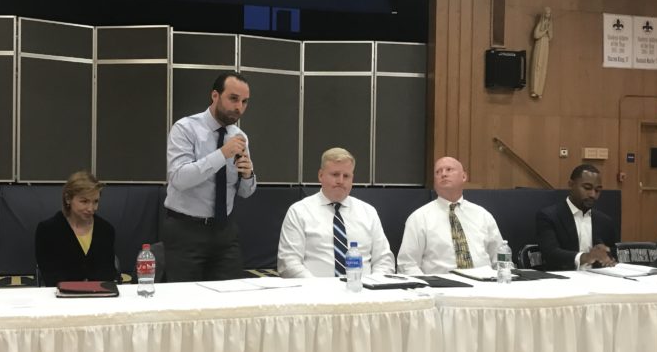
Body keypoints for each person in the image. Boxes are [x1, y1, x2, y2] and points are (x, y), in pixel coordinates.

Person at [162, 71, 256, 281]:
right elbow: (179, 179)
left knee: (230, 299)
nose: (239, 107)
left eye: (244, 101)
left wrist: (248, 176)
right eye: (233, 98)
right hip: (186, 230)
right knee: (185, 301)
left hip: (225, 231)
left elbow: (245, 193)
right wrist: (222, 154)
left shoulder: (240, 137)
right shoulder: (185, 128)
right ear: (215, 96)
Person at [277, 147, 395, 278]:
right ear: (320, 175)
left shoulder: (368, 212)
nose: (340, 181)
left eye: (346, 176)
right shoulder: (299, 211)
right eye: (335, 175)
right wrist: (319, 290)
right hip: (314, 293)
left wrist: (373, 285)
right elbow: (288, 263)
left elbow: (384, 260)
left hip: (363, 292)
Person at [397, 156, 502, 274]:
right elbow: (407, 264)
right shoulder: (419, 218)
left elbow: (501, 259)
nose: (443, 174)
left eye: (449, 169)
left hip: (484, 286)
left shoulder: (483, 215)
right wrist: (426, 289)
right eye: (438, 172)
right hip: (440, 289)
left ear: (463, 176)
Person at [34, 170, 118, 286]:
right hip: (62, 299)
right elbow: (50, 276)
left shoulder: (106, 230)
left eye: (95, 202)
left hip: (99, 299)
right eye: (84, 201)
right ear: (68, 199)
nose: (91, 208)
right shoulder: (48, 230)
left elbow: (108, 274)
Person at [536, 164, 618, 270]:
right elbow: (551, 254)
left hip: (598, 280)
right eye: (587, 188)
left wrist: (608, 255)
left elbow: (614, 254)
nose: (593, 194)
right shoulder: (549, 216)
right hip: (563, 280)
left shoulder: (605, 221)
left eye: (598, 190)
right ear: (571, 184)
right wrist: (587, 257)